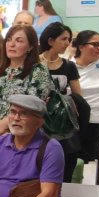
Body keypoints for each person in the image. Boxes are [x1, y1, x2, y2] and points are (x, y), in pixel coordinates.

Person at [0, 24, 52, 146]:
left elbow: (33, 104)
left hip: (23, 139)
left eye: (19, 41)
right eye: (9, 40)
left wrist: (4, 124)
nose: (11, 44)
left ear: (30, 47)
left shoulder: (38, 71)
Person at [40, 22, 85, 181]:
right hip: (39, 121)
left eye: (69, 40)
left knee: (65, 165)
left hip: (62, 123)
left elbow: (78, 96)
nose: (67, 43)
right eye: (63, 39)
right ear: (50, 40)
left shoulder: (69, 66)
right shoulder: (34, 63)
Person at [73, 30, 99, 185]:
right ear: (81, 46)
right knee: (75, 161)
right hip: (76, 122)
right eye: (95, 44)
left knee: (95, 162)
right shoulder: (70, 65)